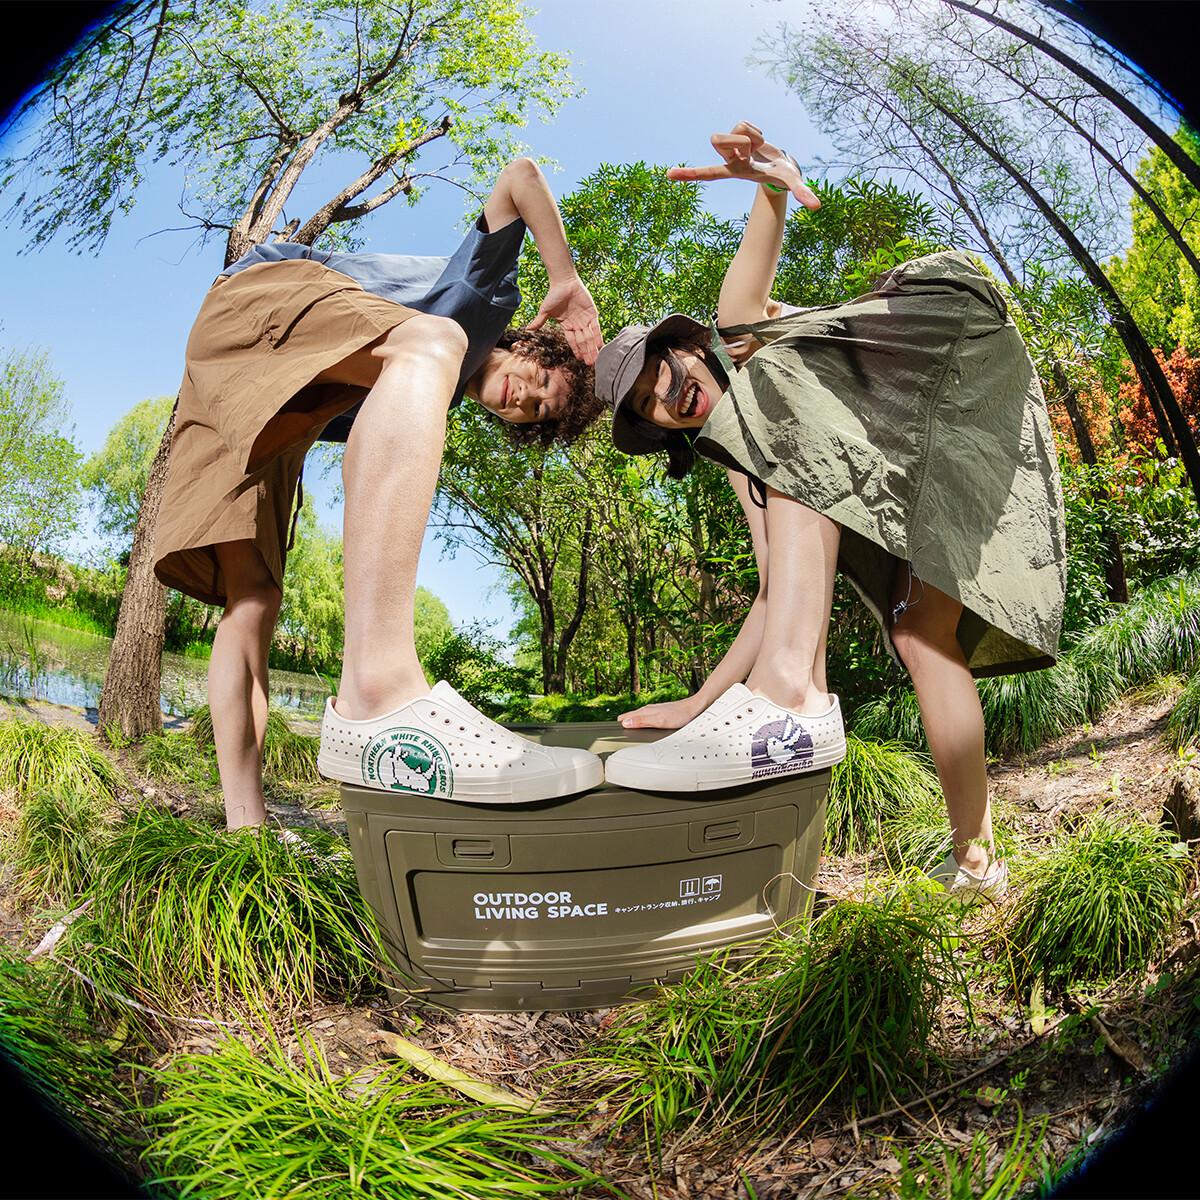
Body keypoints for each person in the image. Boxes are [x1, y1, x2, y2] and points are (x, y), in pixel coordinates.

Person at [596, 123, 1066, 901]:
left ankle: (792, 694)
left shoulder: (742, 345)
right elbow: (774, 590)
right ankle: (979, 861)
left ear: (689, 348)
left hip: (948, 339)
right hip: (940, 449)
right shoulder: (749, 456)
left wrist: (771, 183)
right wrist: (701, 702)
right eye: (651, 405)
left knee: (765, 374)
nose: (669, 395)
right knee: (919, 634)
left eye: (663, 371)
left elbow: (747, 285)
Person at [153, 156, 607, 829]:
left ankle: (245, 828)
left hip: (262, 396)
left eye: (535, 412)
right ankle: (377, 687)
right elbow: (522, 177)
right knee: (434, 341)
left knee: (253, 599)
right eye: (540, 380)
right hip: (259, 304)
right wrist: (565, 278)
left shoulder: (419, 396)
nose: (525, 398)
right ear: (529, 344)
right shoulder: (483, 302)